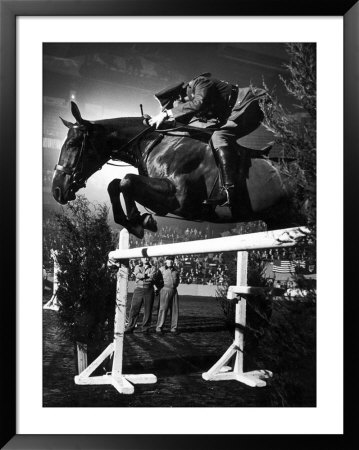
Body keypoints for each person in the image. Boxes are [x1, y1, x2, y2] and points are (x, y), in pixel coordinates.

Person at [149, 73, 268, 207]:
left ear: (178, 97)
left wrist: (166, 114)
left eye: (173, 106)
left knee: (219, 137)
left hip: (252, 101)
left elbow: (198, 103)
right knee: (214, 137)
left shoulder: (200, 83)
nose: (175, 110)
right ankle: (256, 155)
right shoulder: (192, 102)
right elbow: (187, 123)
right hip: (238, 110)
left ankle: (229, 191)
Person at [125, 257, 157, 334]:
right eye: (144, 258)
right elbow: (137, 275)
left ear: (149, 259)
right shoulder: (137, 267)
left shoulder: (153, 268)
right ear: (141, 259)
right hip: (138, 290)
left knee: (148, 310)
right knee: (134, 309)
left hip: (149, 290)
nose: (146, 259)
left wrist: (142, 276)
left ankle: (145, 328)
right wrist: (146, 275)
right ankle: (130, 327)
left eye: (147, 258)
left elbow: (152, 278)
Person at [155, 256, 180, 334]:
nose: (171, 262)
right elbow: (156, 280)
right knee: (163, 309)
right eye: (169, 260)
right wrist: (160, 289)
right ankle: (159, 327)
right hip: (165, 290)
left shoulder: (176, 270)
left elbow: (178, 280)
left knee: (175, 310)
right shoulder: (161, 269)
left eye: (172, 260)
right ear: (166, 261)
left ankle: (173, 328)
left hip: (174, 291)